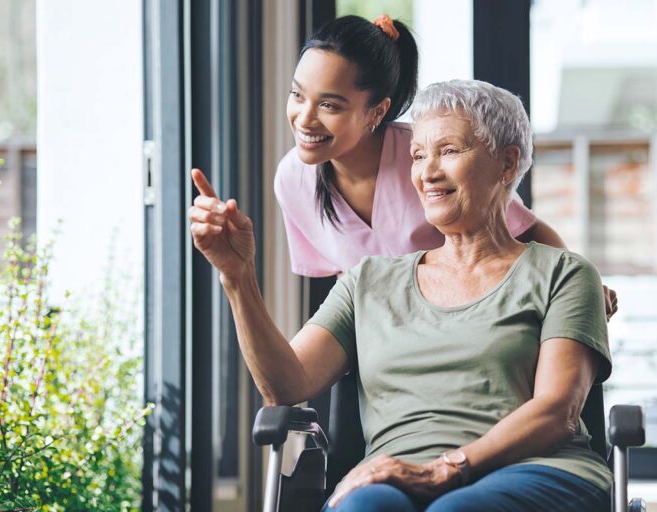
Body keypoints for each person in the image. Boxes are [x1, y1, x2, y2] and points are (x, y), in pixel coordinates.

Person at [189, 79, 613, 511]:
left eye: (448, 151)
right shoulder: (368, 281)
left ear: (507, 163)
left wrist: (444, 470)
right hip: (392, 477)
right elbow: (286, 384)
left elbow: (558, 410)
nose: (427, 171)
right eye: (417, 155)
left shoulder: (565, 273)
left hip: (535, 469)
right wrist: (238, 278)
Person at [274, 13, 617, 318]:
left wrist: (583, 287)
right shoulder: (292, 180)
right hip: (378, 346)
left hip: (464, 326)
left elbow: (527, 229)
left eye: (330, 105)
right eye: (297, 95)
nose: (304, 119)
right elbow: (340, 281)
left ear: (377, 111)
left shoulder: (427, 157)